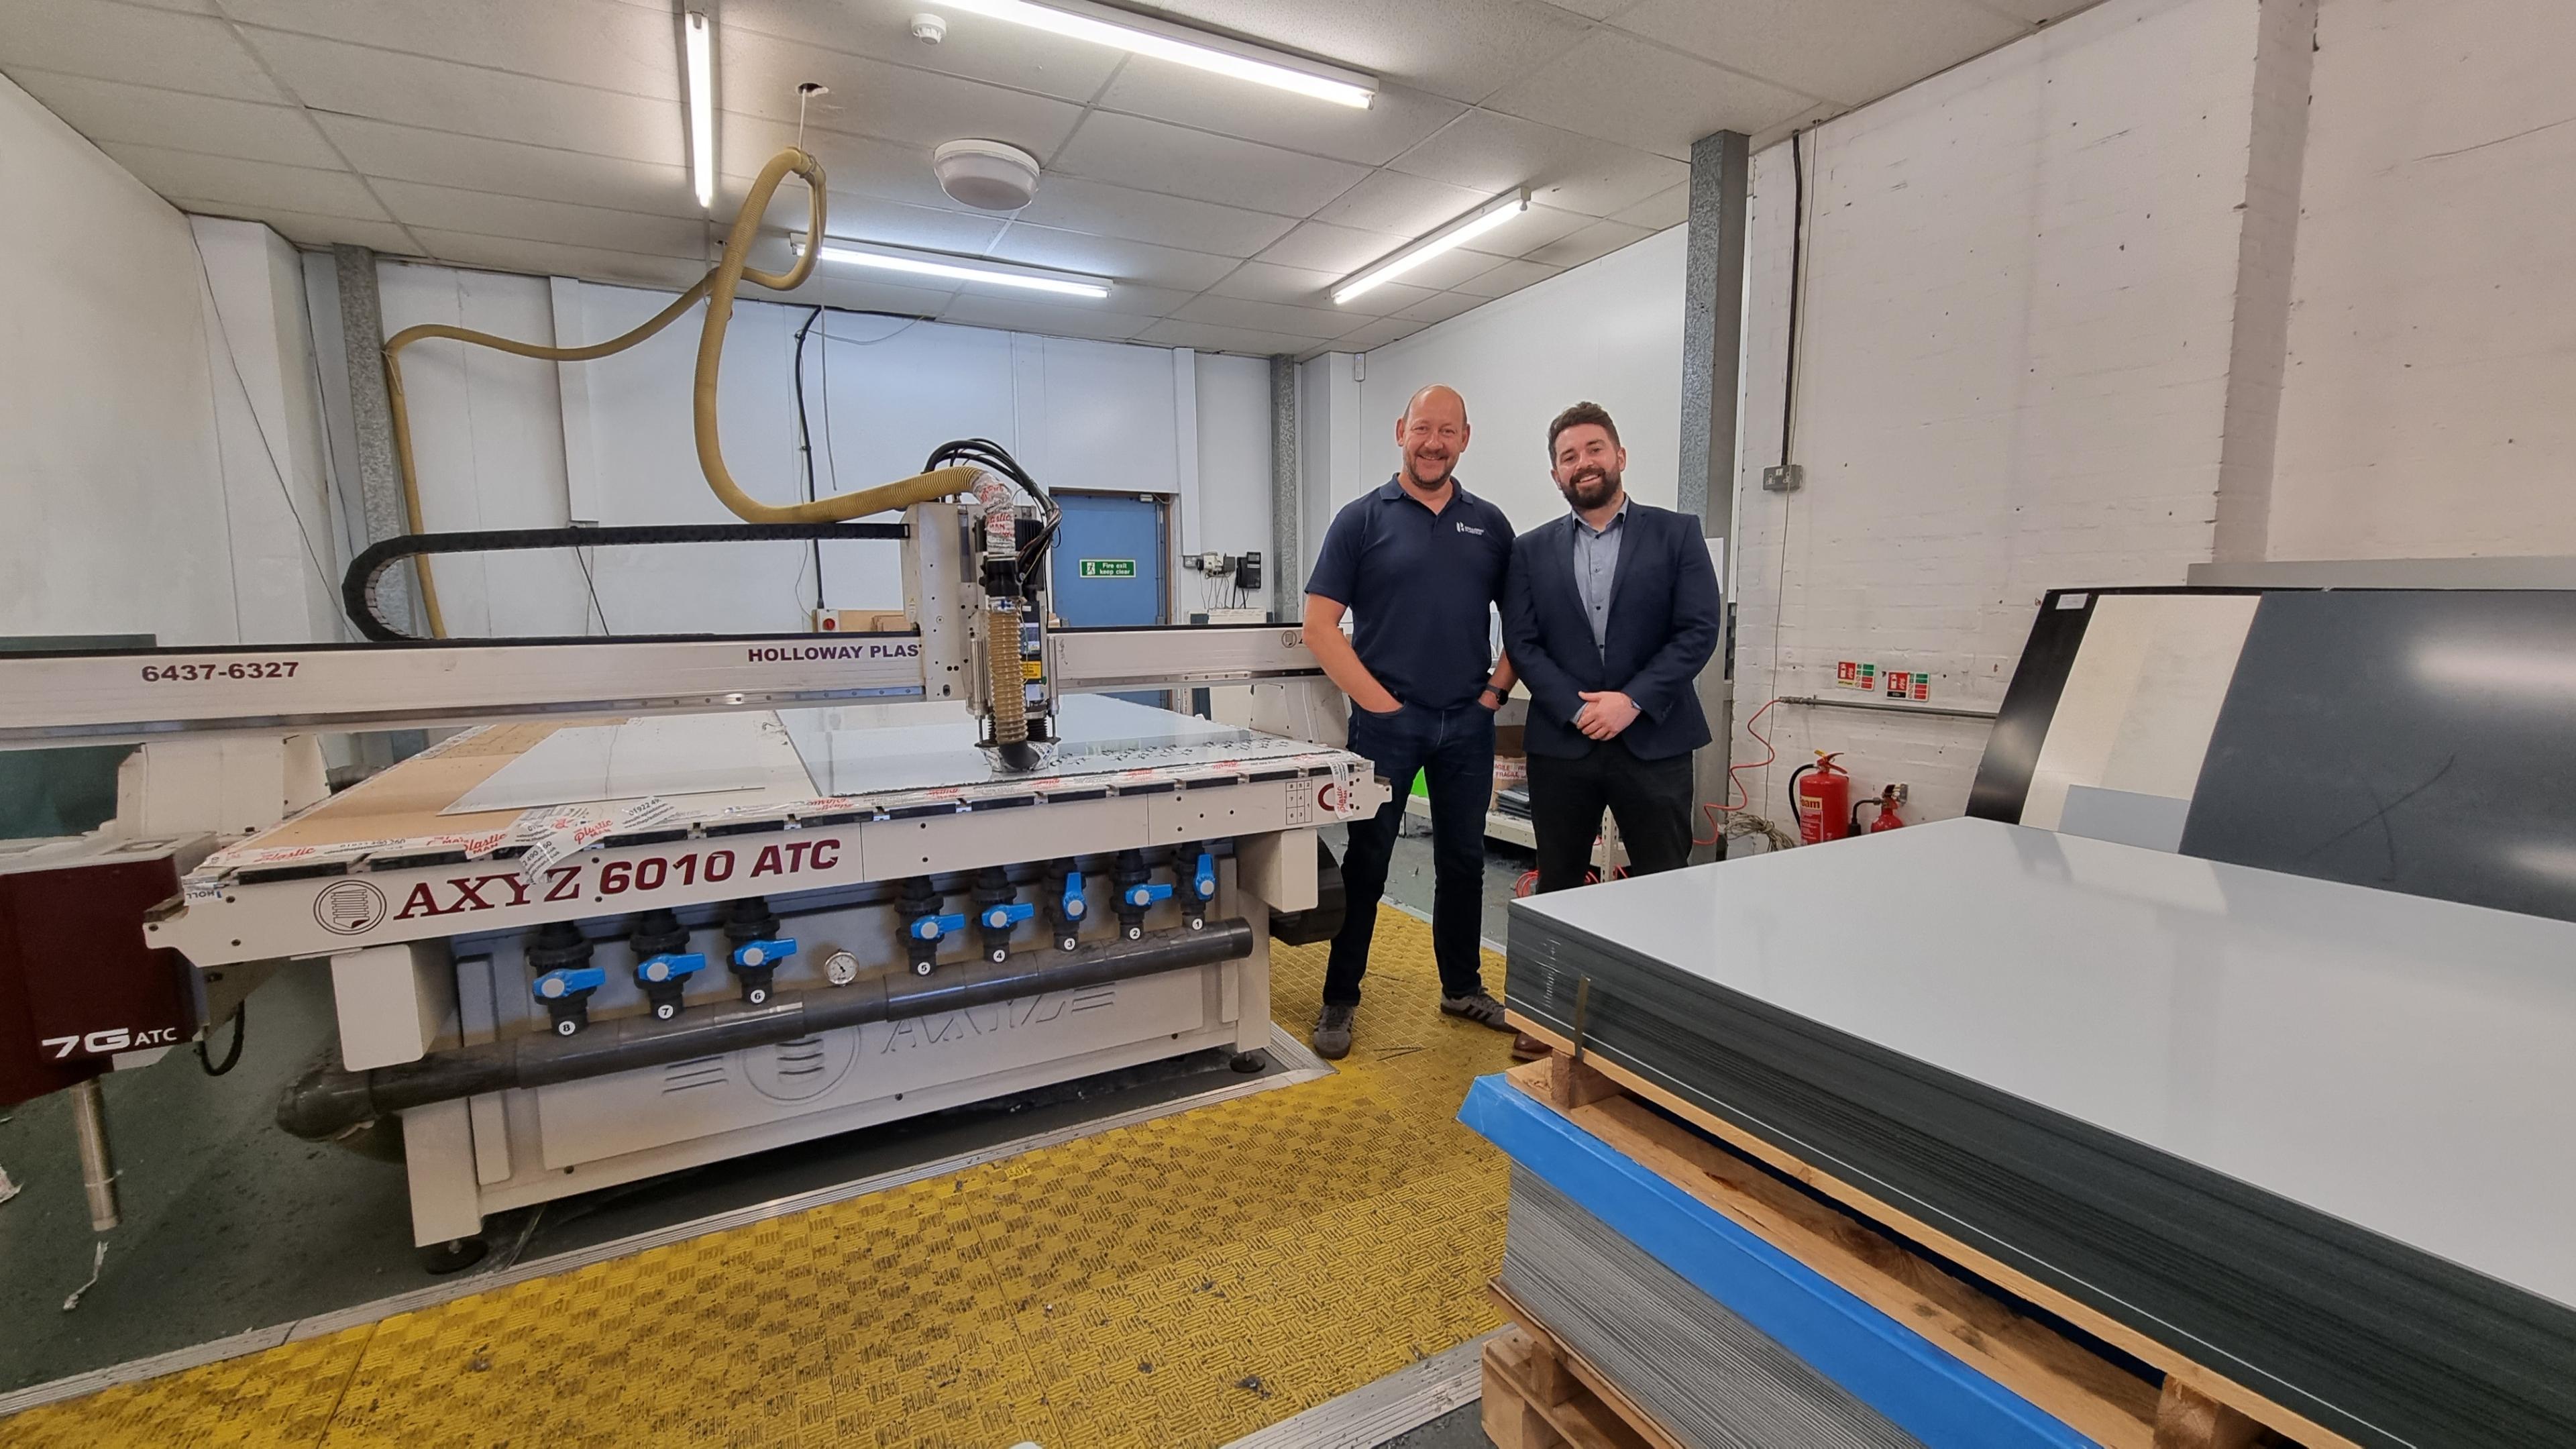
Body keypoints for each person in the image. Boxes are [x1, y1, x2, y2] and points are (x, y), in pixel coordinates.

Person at [1301, 383, 1519, 1060]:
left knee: (1464, 861)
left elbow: (1528, 624)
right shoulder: (1362, 520)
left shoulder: (1491, 526)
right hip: (1387, 726)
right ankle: (1340, 997)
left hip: (1468, 725)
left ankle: (1462, 986)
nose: (1433, 443)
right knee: (1368, 862)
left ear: (1465, 438)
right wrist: (1378, 704)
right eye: (1423, 428)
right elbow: (1319, 625)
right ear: (1401, 431)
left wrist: (1495, 694)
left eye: (1447, 431)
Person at [1501, 400, 1721, 906]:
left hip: (1654, 739)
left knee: (1664, 884)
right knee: (1558, 887)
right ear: (1555, 473)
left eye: (1594, 448)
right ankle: (1563, 986)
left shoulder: (1677, 533)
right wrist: (1577, 709)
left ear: (1620, 455)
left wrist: (1631, 701)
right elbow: (1524, 642)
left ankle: (1655, 984)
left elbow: (1698, 629)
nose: (1584, 462)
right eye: (1569, 455)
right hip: (1562, 745)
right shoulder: (1529, 551)